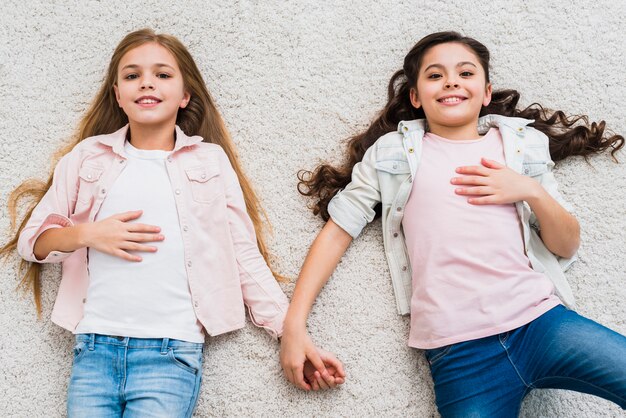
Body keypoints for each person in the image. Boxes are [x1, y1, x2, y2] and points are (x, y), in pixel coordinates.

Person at [280, 31, 626, 416]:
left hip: (542, 324)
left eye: (465, 73)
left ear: (486, 91)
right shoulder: (393, 154)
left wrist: (530, 190)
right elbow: (337, 231)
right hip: (460, 354)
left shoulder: (520, 146)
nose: (451, 82)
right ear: (415, 96)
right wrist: (294, 326)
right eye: (434, 75)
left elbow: (567, 244)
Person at [1, 28, 296, 417]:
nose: (146, 83)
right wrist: (90, 233)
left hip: (170, 351)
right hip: (94, 348)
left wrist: (289, 331)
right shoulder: (89, 157)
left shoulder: (209, 162)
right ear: (118, 95)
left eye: (162, 74)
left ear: (185, 95)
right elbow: (33, 243)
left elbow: (241, 254)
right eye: (131, 75)